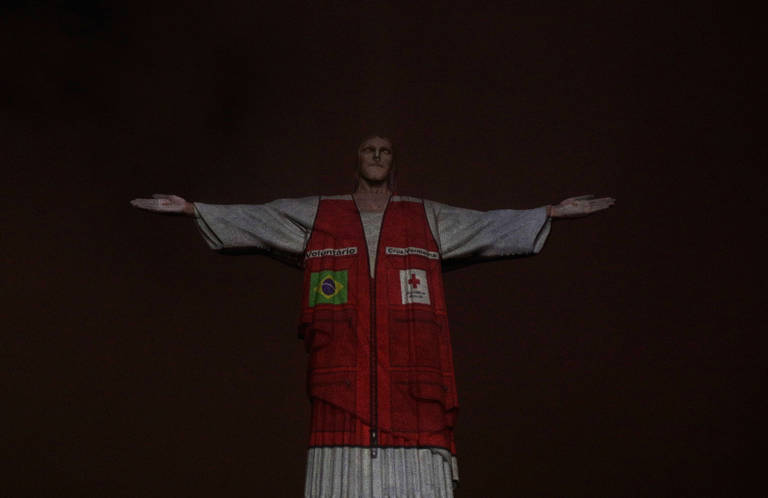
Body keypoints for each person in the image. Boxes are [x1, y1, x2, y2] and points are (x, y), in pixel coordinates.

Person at [131, 135, 614, 497]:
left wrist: (548, 213)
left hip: (413, 379)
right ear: (357, 161)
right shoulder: (321, 213)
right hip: (342, 378)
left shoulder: (424, 215)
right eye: (369, 149)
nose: (377, 156)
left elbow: (485, 224)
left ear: (393, 163)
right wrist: (193, 209)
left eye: (385, 150)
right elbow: (262, 218)